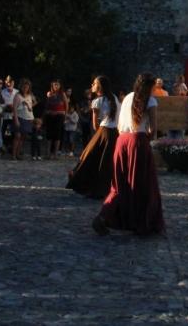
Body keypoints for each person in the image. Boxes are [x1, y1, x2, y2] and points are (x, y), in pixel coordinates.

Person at [92, 72, 165, 236]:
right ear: (149, 86)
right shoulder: (150, 100)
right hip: (138, 142)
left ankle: (103, 216)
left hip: (122, 141)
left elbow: (119, 125)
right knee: (142, 183)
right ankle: (141, 222)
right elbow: (153, 129)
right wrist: (146, 138)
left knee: (119, 184)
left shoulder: (127, 98)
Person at [67, 76, 119, 199]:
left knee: (89, 156)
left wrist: (97, 136)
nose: (92, 85)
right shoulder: (114, 98)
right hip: (115, 133)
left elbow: (95, 125)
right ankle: (105, 188)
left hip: (104, 131)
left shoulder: (97, 101)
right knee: (106, 162)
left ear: (99, 86)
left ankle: (83, 182)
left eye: (94, 83)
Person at [12, 79, 37, 161]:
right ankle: (13, 155)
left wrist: (30, 106)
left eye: (27, 87)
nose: (25, 88)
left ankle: (18, 154)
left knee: (23, 137)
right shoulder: (17, 95)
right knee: (17, 136)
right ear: (21, 87)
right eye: (24, 87)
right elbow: (14, 109)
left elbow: (35, 102)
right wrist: (16, 120)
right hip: (20, 117)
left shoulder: (30, 95)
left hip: (28, 118)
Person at [45, 80, 68, 159]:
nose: (56, 86)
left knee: (57, 135)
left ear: (60, 86)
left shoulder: (62, 94)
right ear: (52, 85)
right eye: (55, 85)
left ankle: (55, 154)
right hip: (50, 116)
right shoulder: (49, 94)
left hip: (59, 116)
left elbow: (66, 105)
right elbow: (47, 105)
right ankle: (48, 153)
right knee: (49, 134)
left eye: (57, 85)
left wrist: (65, 115)